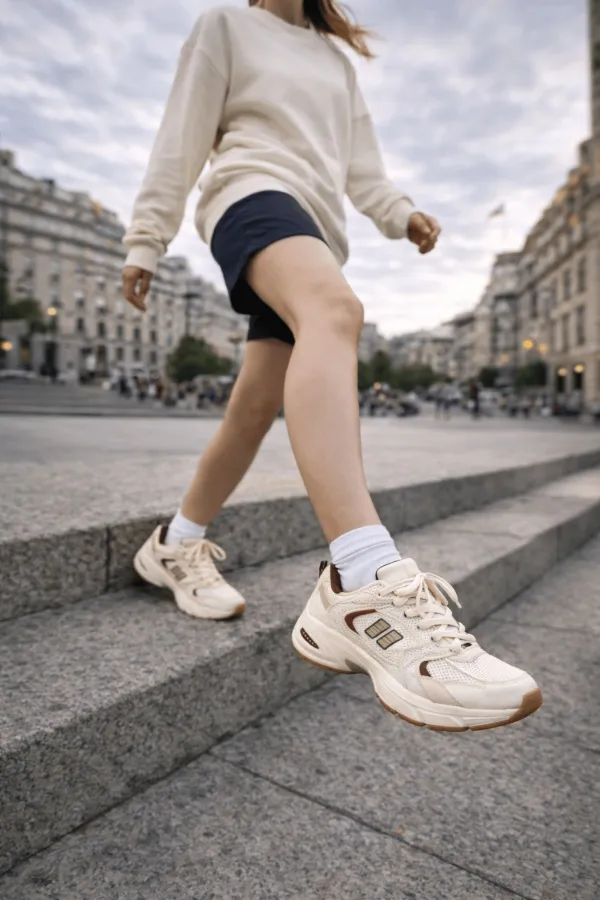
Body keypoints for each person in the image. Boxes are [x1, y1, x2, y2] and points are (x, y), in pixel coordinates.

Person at [122, 0, 541, 730]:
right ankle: (362, 576)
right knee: (337, 313)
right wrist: (145, 238)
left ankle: (175, 545)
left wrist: (399, 211)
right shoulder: (226, 25)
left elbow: (360, 170)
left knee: (256, 405)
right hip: (249, 199)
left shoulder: (333, 62)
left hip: (313, 225)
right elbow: (180, 138)